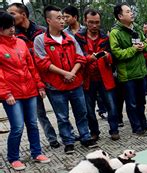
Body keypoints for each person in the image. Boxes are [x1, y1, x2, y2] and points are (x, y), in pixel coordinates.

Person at [34, 5, 97, 154]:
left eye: (63, 18)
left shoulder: (70, 38)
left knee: (81, 113)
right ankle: (68, 141)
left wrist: (72, 73)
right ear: (48, 20)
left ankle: (85, 137)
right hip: (56, 87)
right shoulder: (40, 40)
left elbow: (80, 57)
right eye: (58, 18)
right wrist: (64, 74)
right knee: (62, 116)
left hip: (75, 83)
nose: (62, 21)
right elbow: (43, 63)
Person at [0, 12, 50, 170]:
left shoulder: (21, 43)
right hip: (11, 95)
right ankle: (13, 157)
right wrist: (5, 93)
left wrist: (39, 85)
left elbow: (31, 67)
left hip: (30, 91)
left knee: (33, 124)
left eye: (12, 26)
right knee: (17, 127)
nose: (11, 29)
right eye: (7, 27)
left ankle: (37, 152)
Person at [7, 2, 60, 149]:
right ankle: (51, 138)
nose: (9, 17)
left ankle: (67, 133)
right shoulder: (13, 36)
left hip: (48, 76)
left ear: (23, 14)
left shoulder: (42, 31)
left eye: (12, 13)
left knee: (58, 109)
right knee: (39, 113)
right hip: (28, 81)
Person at [109, 3, 147, 135]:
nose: (131, 13)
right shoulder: (115, 33)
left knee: (142, 100)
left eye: (131, 11)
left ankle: (143, 123)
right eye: (128, 11)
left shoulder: (137, 29)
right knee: (132, 103)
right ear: (120, 16)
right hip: (127, 75)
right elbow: (117, 53)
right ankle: (137, 127)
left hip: (141, 72)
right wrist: (133, 49)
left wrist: (142, 46)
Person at [75, 9, 120, 141]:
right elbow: (76, 56)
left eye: (97, 22)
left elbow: (113, 56)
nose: (94, 25)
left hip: (104, 76)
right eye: (91, 22)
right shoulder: (78, 38)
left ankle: (114, 129)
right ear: (85, 21)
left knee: (111, 105)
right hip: (87, 77)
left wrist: (107, 56)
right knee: (89, 109)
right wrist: (89, 58)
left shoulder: (106, 37)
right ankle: (94, 131)